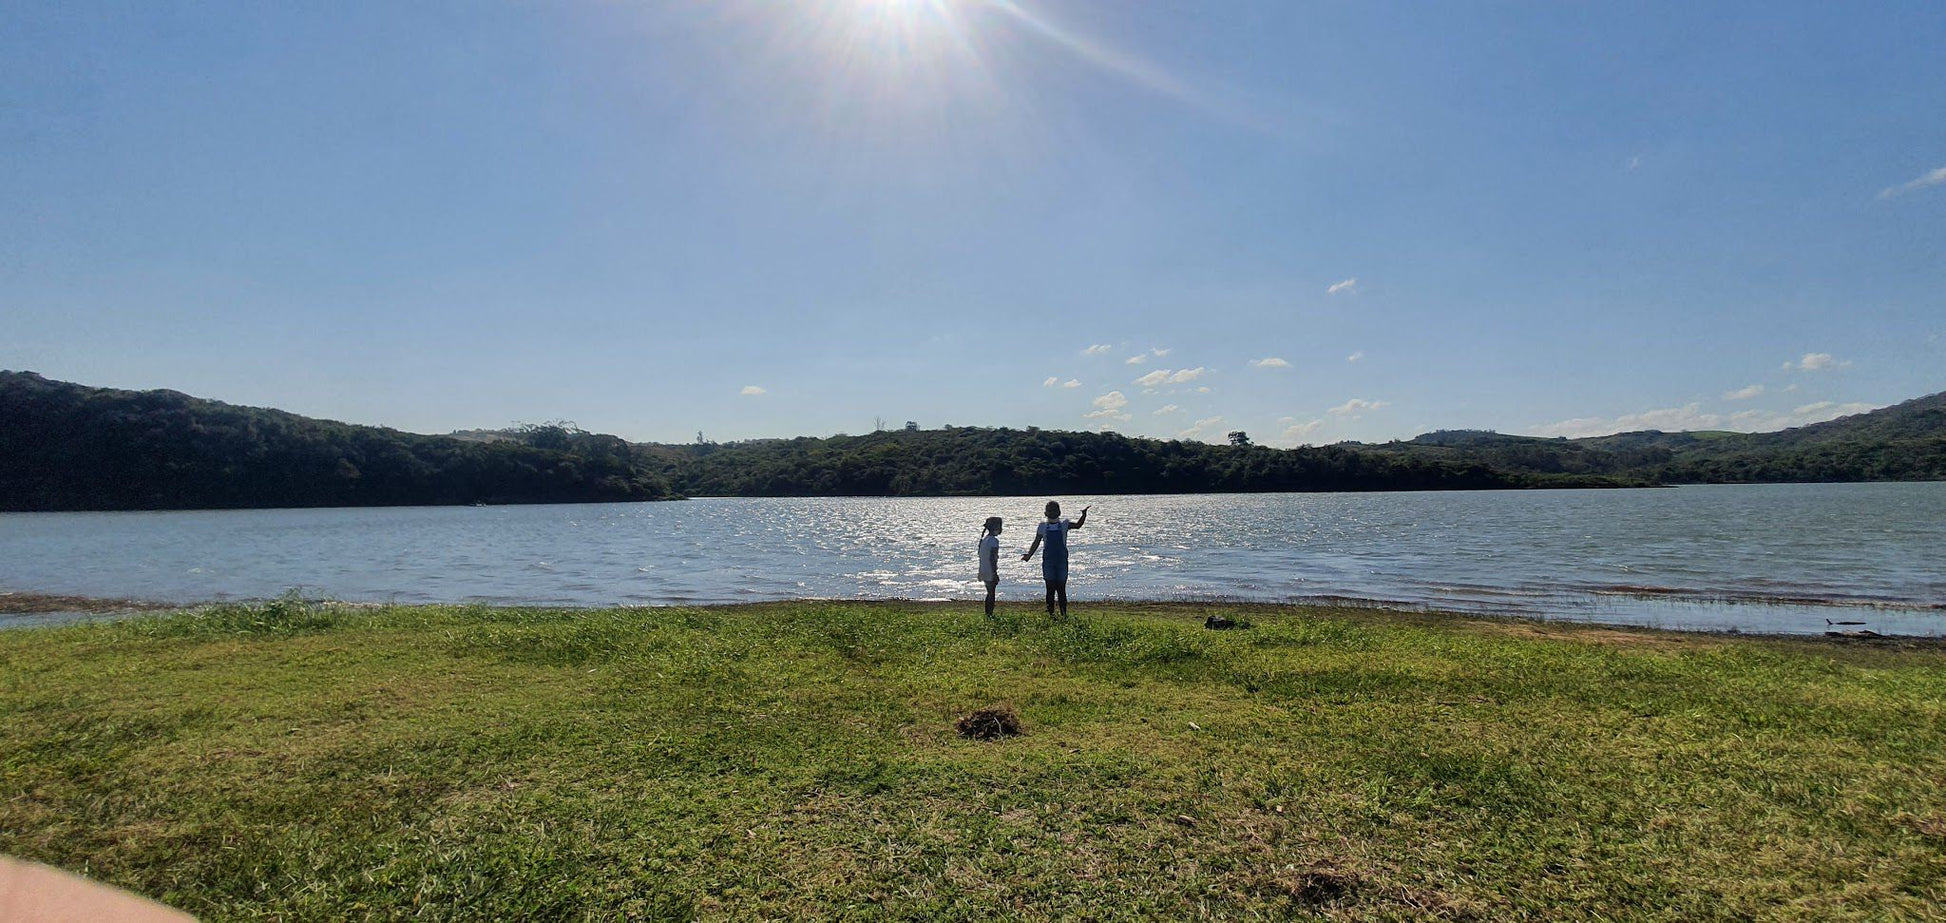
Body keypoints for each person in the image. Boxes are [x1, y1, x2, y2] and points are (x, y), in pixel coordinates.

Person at [1021, 500, 1088, 617]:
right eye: (1050, 510)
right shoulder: (1042, 526)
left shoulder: (1064, 525)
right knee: (1050, 588)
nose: (1052, 512)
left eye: (1054, 510)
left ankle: (1063, 614)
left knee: (1061, 589)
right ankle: (1051, 613)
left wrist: (1084, 515)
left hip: (1061, 561)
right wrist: (1029, 555)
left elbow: (1078, 525)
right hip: (1048, 562)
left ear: (1059, 512)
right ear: (1045, 513)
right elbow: (1036, 542)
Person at [977, 516, 1003, 616]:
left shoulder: (985, 540)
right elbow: (993, 559)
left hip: (983, 569)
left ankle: (988, 613)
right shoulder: (993, 541)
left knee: (989, 591)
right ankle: (989, 613)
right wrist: (994, 572)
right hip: (989, 570)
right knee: (991, 593)